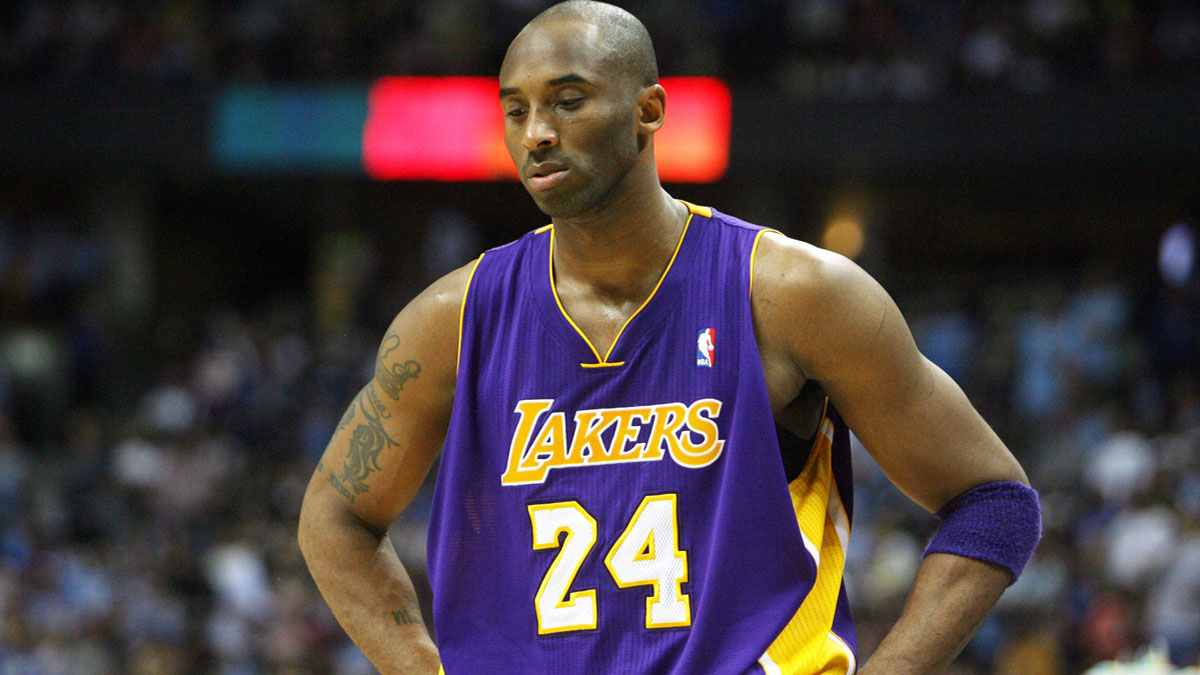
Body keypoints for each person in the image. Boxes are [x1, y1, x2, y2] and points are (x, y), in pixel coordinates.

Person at [297, 2, 1041, 673]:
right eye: (515, 110)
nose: (538, 134)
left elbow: (995, 500)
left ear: (648, 110)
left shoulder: (792, 295)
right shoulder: (452, 318)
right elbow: (334, 517)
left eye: (568, 100)